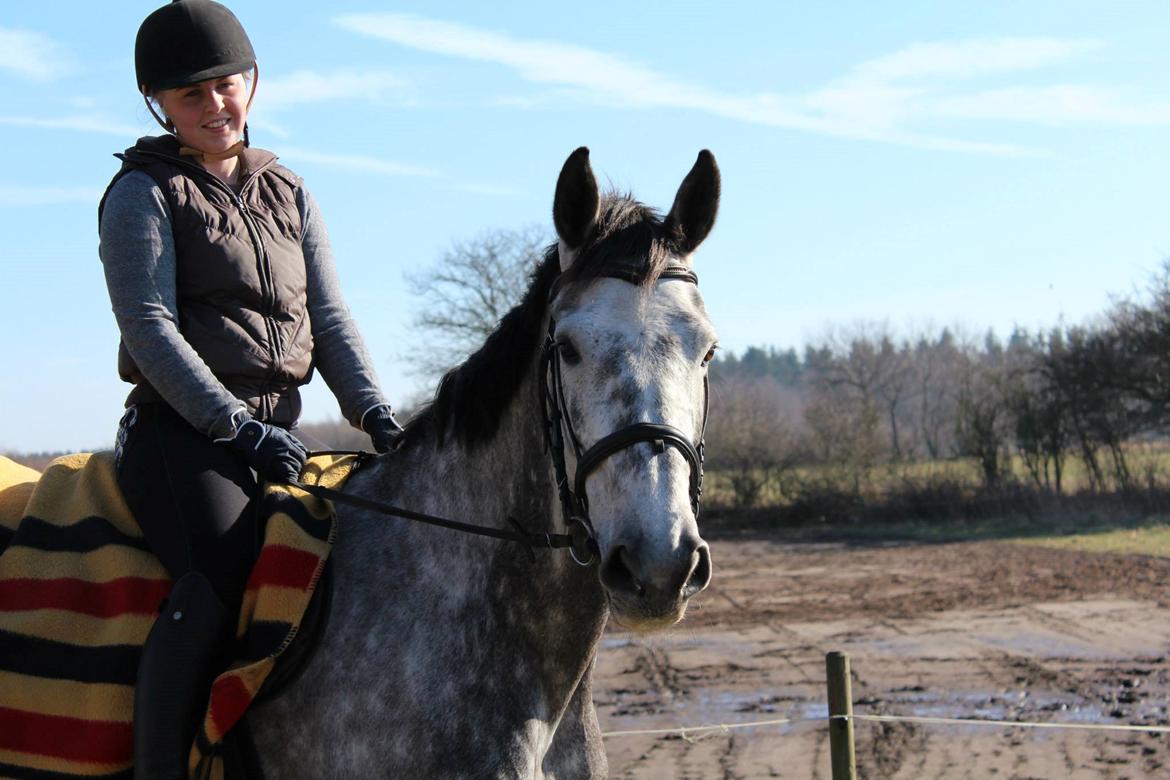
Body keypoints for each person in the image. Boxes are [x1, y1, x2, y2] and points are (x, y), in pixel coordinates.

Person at [97, 1, 404, 775]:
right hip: (180, 436)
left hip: (277, 434)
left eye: (225, 86)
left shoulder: (290, 191)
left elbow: (329, 321)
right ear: (159, 105)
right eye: (190, 95)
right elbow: (148, 325)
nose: (213, 107)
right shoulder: (143, 192)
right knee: (221, 576)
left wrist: (375, 414)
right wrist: (231, 425)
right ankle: (160, 769)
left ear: (253, 83)